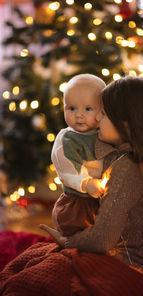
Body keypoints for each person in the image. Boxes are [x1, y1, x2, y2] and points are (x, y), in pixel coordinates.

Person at [0, 76, 143, 296]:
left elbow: (102, 239)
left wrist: (67, 242)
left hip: (127, 267)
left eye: (103, 113)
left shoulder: (125, 168)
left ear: (125, 124)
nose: (97, 118)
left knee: (31, 278)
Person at [51, 73, 106, 236]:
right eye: (71, 108)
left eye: (88, 109)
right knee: (74, 230)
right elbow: (66, 170)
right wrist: (85, 183)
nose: (79, 115)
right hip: (77, 201)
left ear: (102, 111)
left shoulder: (104, 132)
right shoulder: (66, 139)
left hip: (102, 198)